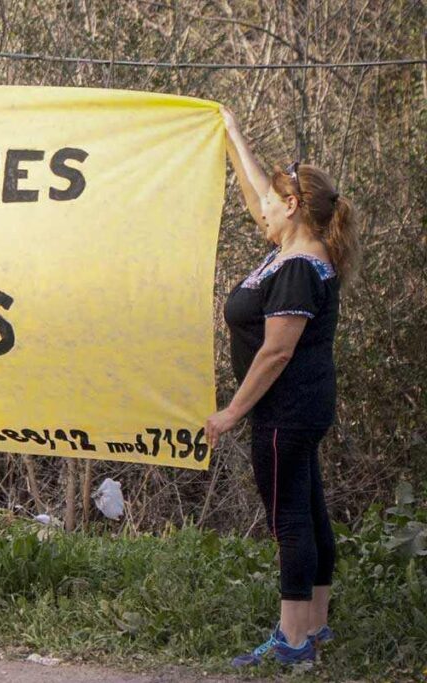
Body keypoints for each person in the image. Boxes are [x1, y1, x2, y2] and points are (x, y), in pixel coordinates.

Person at [205, 108, 360, 667]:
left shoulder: (296, 267)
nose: (261, 211)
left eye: (272, 204)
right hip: (303, 409)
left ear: (292, 208)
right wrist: (231, 134)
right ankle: (315, 629)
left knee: (289, 518)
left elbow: (276, 351)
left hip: (284, 411)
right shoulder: (297, 252)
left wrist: (230, 413)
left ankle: (293, 643)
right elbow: (256, 196)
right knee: (310, 509)